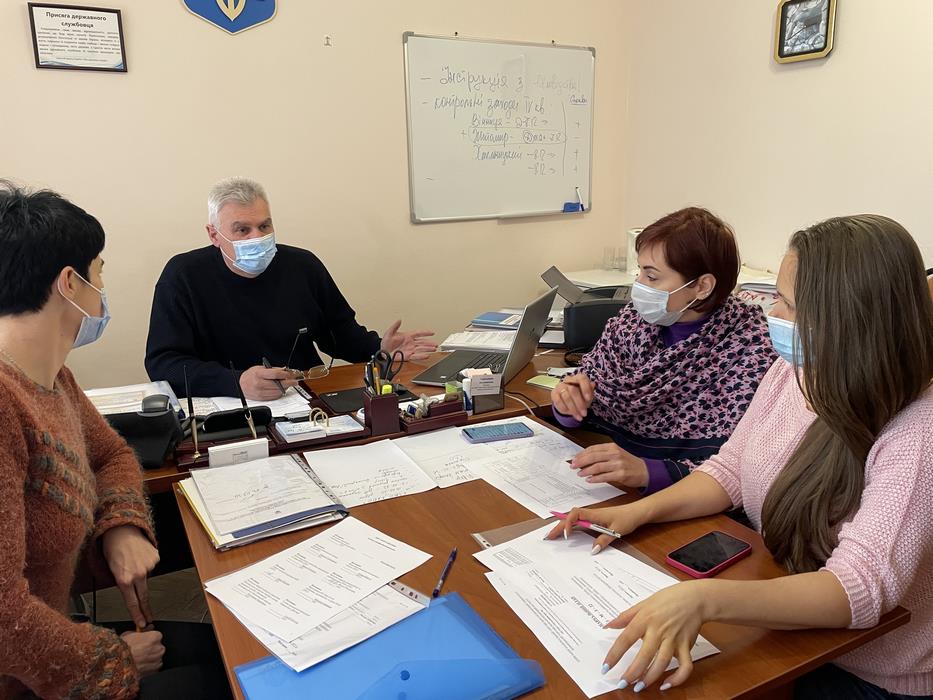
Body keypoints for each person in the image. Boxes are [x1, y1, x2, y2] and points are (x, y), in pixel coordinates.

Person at [549, 214, 933, 697]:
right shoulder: (796, 371)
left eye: (788, 304)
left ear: (847, 318)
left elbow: (858, 588)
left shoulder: (918, 430)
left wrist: (703, 600)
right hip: (790, 629)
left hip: (872, 670)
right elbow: (730, 469)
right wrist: (635, 512)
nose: (773, 313)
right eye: (777, 297)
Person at [0, 182, 230, 699]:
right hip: (27, 679)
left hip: (51, 646)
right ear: (69, 283)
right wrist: (114, 658)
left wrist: (120, 526)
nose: (101, 288)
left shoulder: (54, 379)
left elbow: (109, 455)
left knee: (229, 653)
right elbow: (4, 617)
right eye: (98, 271)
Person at [144, 177, 437, 400]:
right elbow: (164, 363)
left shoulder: (303, 266)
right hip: (229, 408)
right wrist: (235, 382)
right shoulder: (182, 276)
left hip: (306, 398)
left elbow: (340, 336)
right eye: (242, 230)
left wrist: (379, 350)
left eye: (264, 226)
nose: (257, 237)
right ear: (214, 235)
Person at [551, 207, 776, 493]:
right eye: (640, 271)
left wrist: (648, 472)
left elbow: (742, 468)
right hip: (606, 481)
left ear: (702, 286)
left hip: (690, 501)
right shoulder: (631, 321)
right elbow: (583, 394)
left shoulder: (751, 347)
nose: (639, 285)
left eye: (652, 277)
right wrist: (566, 404)